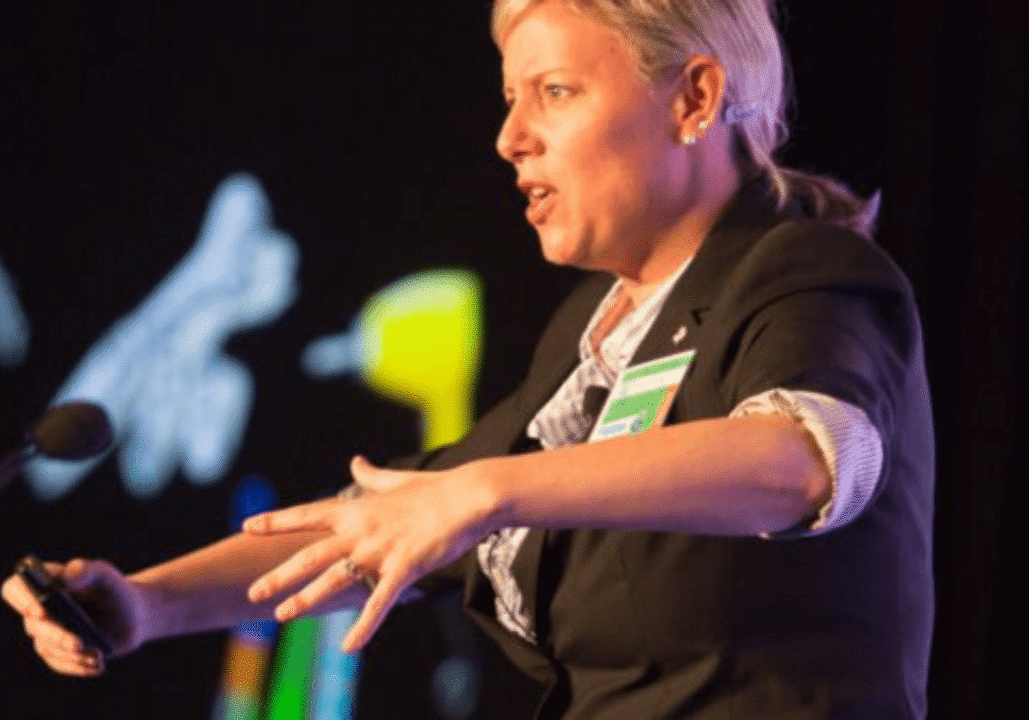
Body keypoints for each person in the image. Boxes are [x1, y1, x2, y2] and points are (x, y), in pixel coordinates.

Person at [3, 1, 934, 718]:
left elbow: (804, 461)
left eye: (555, 92)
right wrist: (144, 606)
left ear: (693, 97)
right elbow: (395, 520)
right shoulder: (597, 332)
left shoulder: (803, 270)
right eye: (509, 98)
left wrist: (491, 490)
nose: (509, 137)